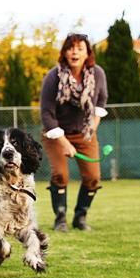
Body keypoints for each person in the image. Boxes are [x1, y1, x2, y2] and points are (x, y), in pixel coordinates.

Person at [40, 33, 108, 232]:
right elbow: (46, 114)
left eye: (79, 48)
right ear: (64, 52)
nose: (74, 52)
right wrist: (64, 143)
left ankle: (80, 217)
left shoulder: (97, 74)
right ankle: (60, 218)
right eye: (70, 48)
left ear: (87, 53)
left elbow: (101, 103)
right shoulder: (53, 77)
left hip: (85, 132)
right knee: (61, 174)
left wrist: (92, 129)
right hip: (56, 133)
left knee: (93, 177)